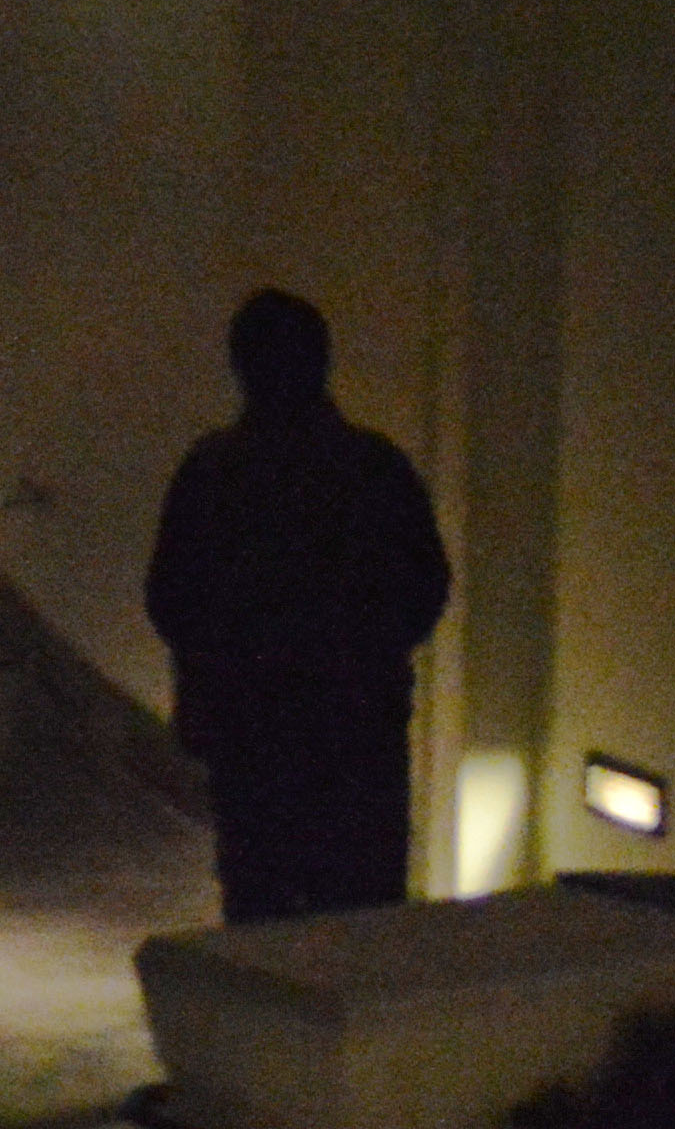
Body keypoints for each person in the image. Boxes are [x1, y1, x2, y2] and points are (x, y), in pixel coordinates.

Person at [145, 287, 450, 920]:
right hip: (359, 734)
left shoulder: (212, 473)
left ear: (241, 369)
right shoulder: (376, 467)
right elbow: (426, 586)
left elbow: (169, 598)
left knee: (262, 919)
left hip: (251, 738)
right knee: (362, 918)